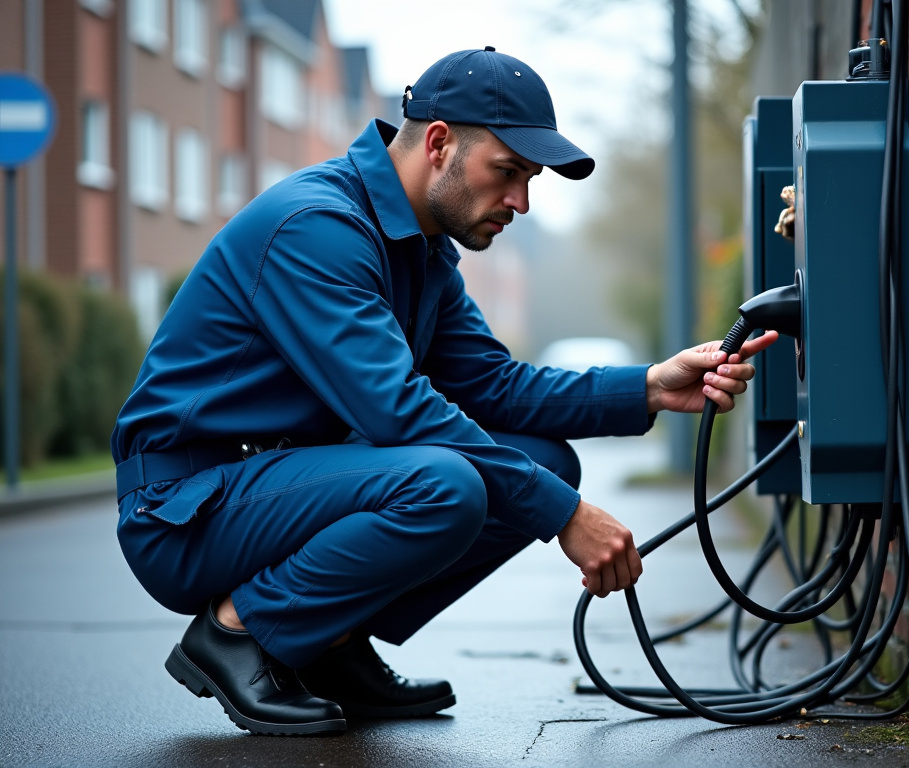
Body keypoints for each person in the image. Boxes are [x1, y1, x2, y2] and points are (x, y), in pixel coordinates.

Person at [111, 47, 776, 736]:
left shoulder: (421, 250)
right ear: (438, 144)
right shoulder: (316, 228)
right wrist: (566, 516)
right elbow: (396, 411)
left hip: (275, 487)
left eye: (531, 179)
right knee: (445, 484)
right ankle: (237, 632)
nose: (520, 201)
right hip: (187, 510)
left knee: (543, 462)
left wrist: (646, 388)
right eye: (508, 172)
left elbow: (494, 385)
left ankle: (327, 645)